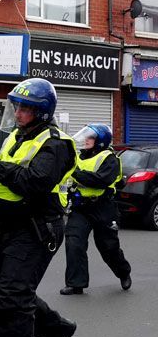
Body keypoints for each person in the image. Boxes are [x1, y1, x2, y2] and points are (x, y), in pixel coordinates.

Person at [0, 78, 78, 337]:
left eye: (25, 109)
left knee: (12, 296)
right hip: (10, 225)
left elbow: (34, 182)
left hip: (36, 228)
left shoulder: (55, 144)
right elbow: (9, 180)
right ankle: (55, 328)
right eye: (16, 107)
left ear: (42, 113)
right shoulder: (17, 138)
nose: (17, 114)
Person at [61, 124, 132, 295]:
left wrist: (75, 173)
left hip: (103, 207)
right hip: (81, 207)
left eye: (90, 137)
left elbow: (100, 180)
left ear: (100, 141)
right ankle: (76, 284)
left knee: (108, 246)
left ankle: (123, 272)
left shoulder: (110, 159)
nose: (86, 140)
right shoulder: (78, 158)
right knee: (74, 243)